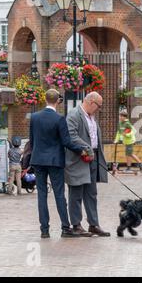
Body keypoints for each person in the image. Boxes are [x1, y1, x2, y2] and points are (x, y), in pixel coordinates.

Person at [30, 89, 87, 239]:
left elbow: (32, 140)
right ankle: (65, 227)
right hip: (55, 161)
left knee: (41, 195)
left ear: (45, 99)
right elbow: (66, 141)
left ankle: (44, 230)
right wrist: (81, 149)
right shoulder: (59, 118)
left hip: (38, 160)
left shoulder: (34, 117)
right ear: (57, 101)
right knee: (59, 195)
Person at [65, 92, 110, 237]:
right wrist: (88, 148)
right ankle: (76, 225)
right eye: (98, 105)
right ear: (91, 101)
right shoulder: (73, 115)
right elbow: (71, 136)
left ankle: (93, 224)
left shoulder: (92, 117)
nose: (99, 109)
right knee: (76, 193)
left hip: (92, 159)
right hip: (78, 159)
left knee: (92, 193)